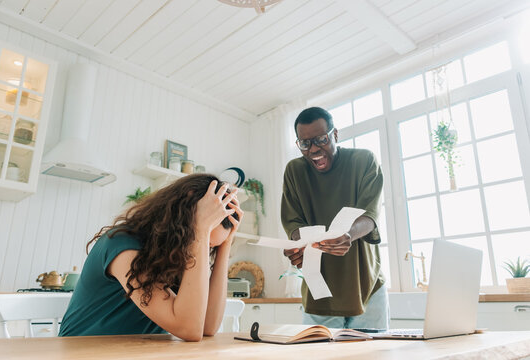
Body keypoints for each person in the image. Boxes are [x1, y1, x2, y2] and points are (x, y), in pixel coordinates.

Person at [59, 174, 243, 341]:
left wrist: (225, 246)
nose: (202, 248)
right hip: (83, 352)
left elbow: (207, 327)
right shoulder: (122, 246)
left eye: (210, 246)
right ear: (183, 219)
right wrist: (200, 234)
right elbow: (190, 329)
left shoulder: (177, 256)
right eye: (201, 236)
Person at [281, 106, 388, 330]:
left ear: (335, 135)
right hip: (319, 291)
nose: (313, 150)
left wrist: (348, 234)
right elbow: (293, 222)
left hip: (366, 286)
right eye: (305, 143)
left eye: (321, 139)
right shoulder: (294, 171)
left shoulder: (364, 160)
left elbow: (370, 216)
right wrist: (299, 243)